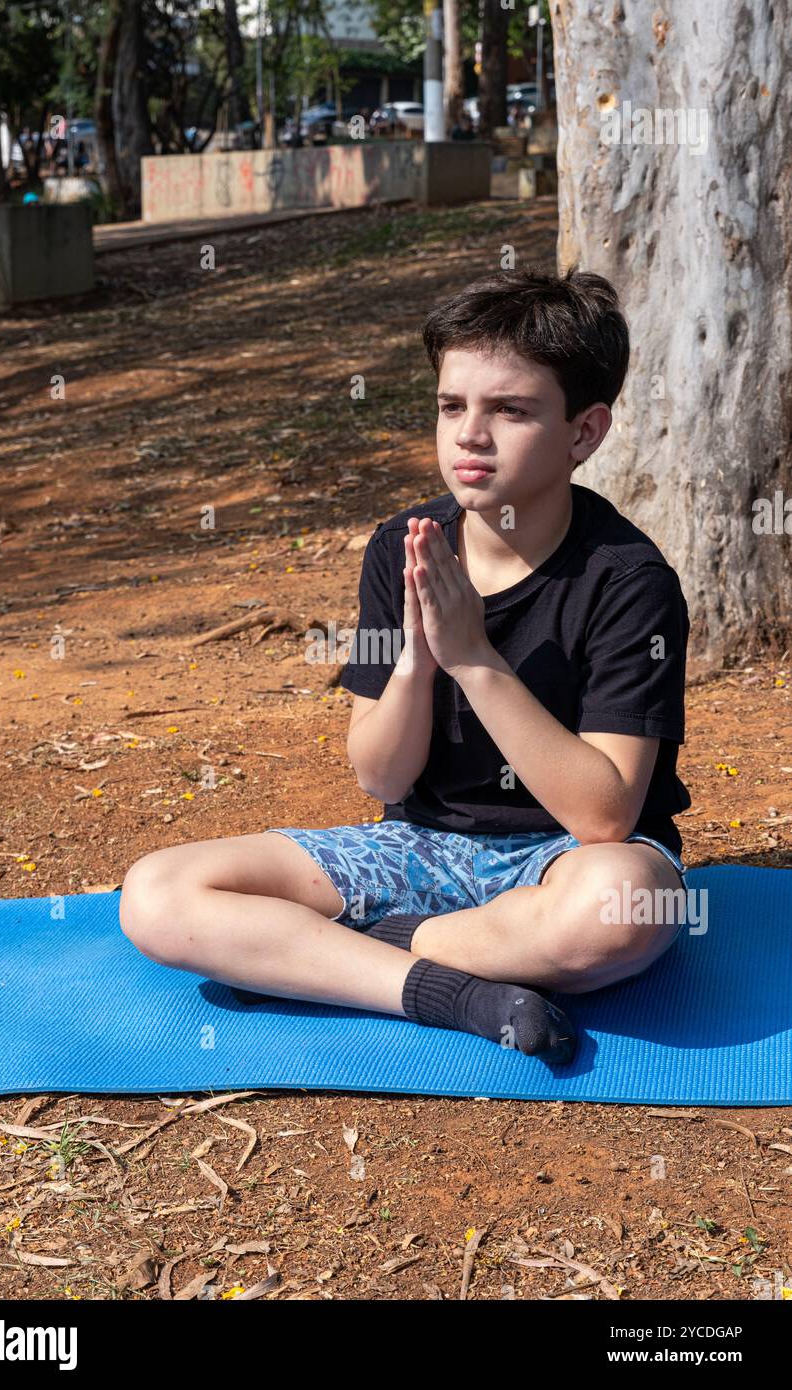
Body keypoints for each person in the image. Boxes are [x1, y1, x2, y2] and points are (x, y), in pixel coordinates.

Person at [119, 267, 692, 1068]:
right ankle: (450, 992)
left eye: (511, 410)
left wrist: (475, 659)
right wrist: (418, 662)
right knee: (157, 895)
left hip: (568, 859)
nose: (470, 435)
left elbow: (604, 816)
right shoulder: (405, 547)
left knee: (622, 913)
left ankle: (341, 952)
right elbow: (383, 780)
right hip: (424, 848)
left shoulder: (627, 580)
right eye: (452, 406)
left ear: (584, 433)